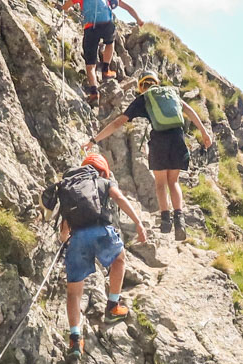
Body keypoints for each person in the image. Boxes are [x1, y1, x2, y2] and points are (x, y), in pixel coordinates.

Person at [48, 149, 148, 357]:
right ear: (103, 171)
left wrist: (67, 239)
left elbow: (64, 232)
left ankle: (75, 340)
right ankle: (112, 306)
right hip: (100, 230)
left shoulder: (70, 188)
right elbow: (119, 197)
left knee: (74, 291)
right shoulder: (102, 182)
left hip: (77, 239)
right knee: (119, 259)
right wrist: (138, 222)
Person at [90, 73, 214, 240]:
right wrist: (205, 133)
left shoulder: (144, 98)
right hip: (178, 138)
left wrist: (94, 139)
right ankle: (180, 220)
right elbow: (189, 110)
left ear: (141, 86)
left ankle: (165, 221)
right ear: (157, 83)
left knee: (161, 183)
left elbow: (119, 122)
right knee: (174, 181)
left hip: (160, 142)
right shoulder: (170, 93)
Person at [63, 0, 142, 98]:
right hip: (107, 24)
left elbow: (66, 6)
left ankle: (94, 91)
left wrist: (66, 10)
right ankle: (106, 69)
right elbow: (127, 7)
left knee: (90, 64)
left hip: (90, 27)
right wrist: (138, 20)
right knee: (109, 42)